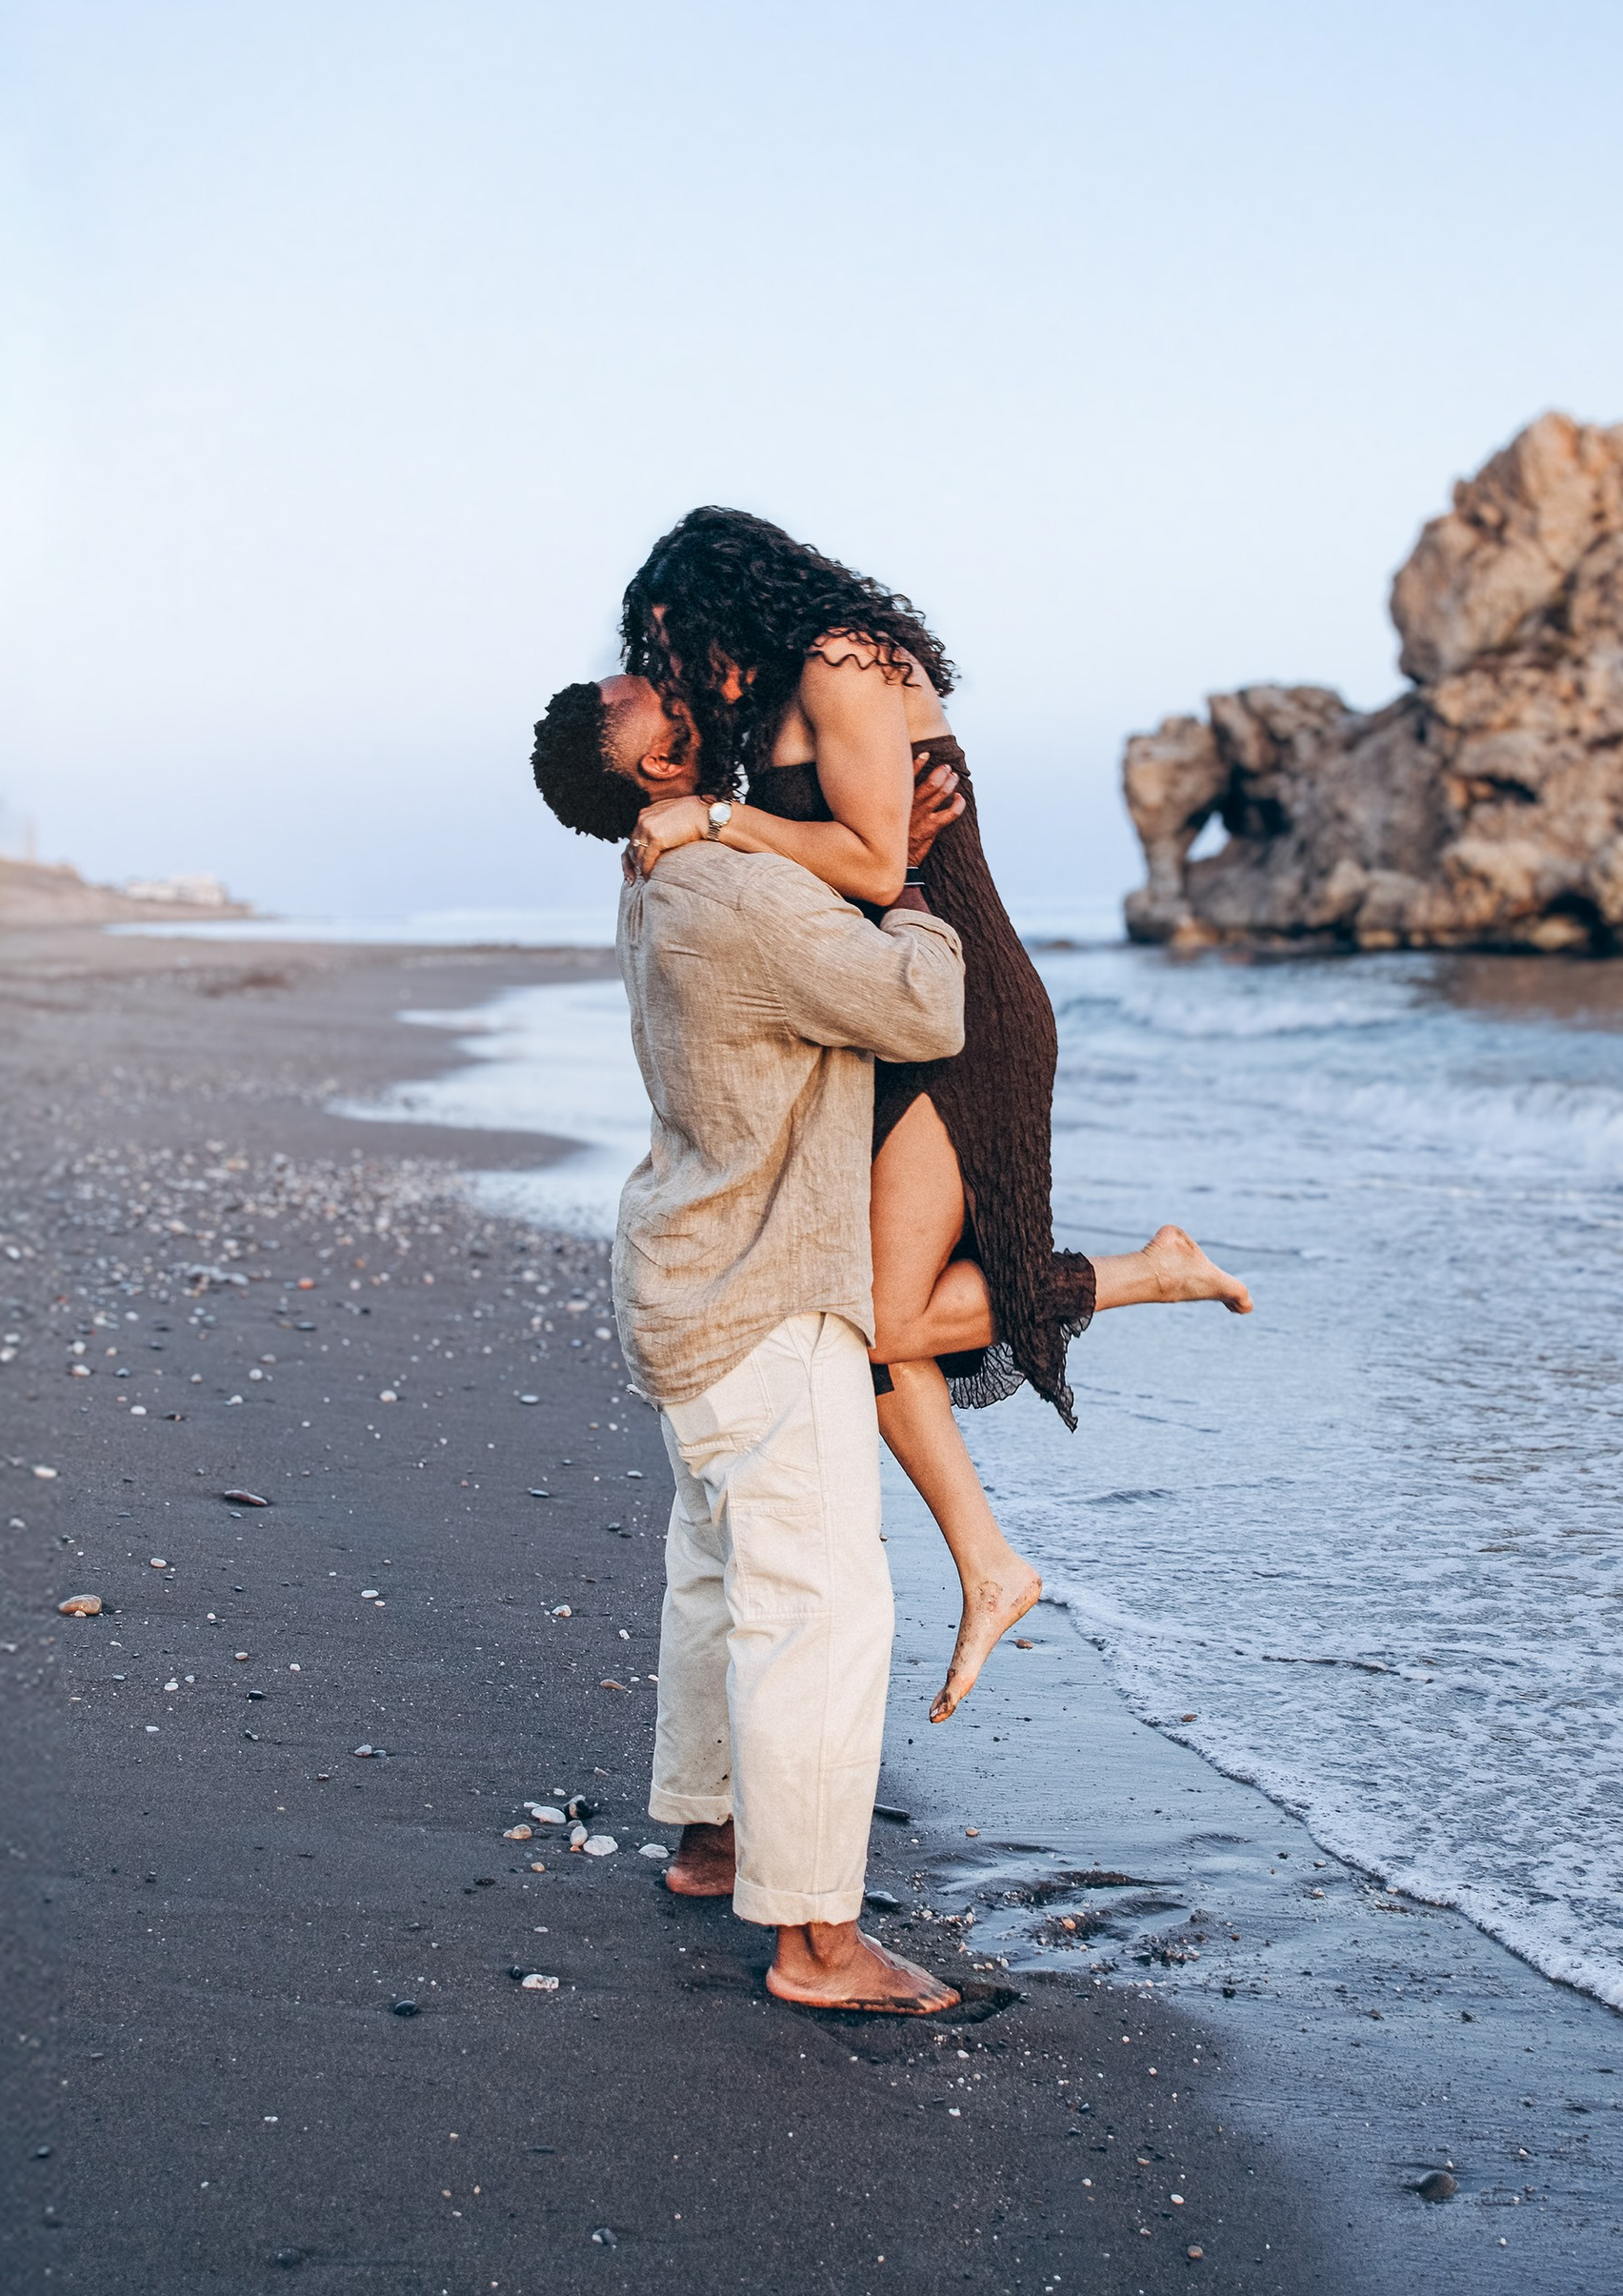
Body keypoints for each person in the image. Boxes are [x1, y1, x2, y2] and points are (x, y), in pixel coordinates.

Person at [605, 506, 1251, 1724]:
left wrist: (717, 820)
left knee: (883, 1310)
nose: (673, 669)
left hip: (965, 1012)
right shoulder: (786, 690)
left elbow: (867, 857)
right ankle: (991, 1564)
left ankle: (1148, 1275)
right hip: (891, 1007)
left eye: (669, 635)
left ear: (721, 600)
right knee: (859, 1308)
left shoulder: (845, 658)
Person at [533, 664, 966, 2013]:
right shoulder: (727, 883)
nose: (686, 692)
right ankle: (818, 1945)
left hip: (684, 1273)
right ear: (660, 771)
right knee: (822, 1604)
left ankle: (712, 1838)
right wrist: (917, 892)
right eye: (660, 702)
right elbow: (920, 1007)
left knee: (720, 1574)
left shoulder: (661, 871)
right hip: (763, 1292)